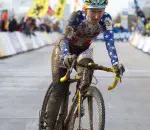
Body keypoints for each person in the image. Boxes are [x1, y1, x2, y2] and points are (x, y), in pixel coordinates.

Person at [46, 0, 124, 129]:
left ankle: (79, 99)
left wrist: (115, 63)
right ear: (85, 9)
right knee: (59, 89)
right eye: (93, 11)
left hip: (83, 50)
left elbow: (110, 43)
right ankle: (48, 126)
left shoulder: (106, 19)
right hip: (64, 49)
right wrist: (66, 55)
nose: (97, 16)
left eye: (100, 11)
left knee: (88, 70)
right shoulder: (76, 17)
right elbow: (64, 38)